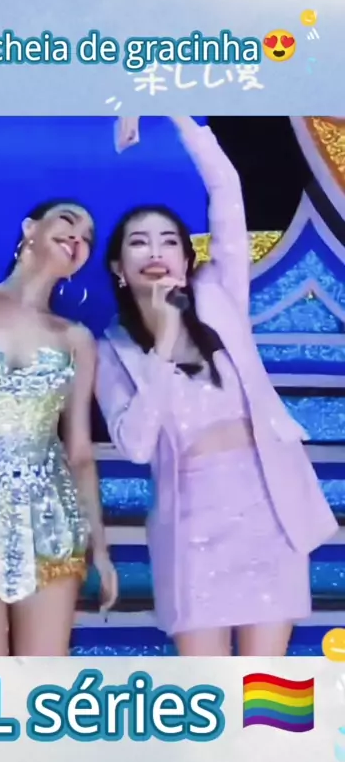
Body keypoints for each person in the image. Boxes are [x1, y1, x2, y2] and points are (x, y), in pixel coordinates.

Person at [95, 115, 337, 657]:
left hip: (268, 507)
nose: (155, 252)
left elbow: (226, 189)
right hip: (192, 525)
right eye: (139, 243)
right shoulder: (113, 349)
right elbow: (136, 445)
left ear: (187, 261)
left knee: (267, 689)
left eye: (168, 241)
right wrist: (162, 343)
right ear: (118, 267)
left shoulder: (218, 298)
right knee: (209, 688)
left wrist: (176, 111)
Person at [0, 116, 118, 656]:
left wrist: (100, 547)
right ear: (30, 228)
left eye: (87, 238)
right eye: (67, 221)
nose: (77, 237)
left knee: (42, 683)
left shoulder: (75, 338)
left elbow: (80, 452)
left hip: (52, 515)